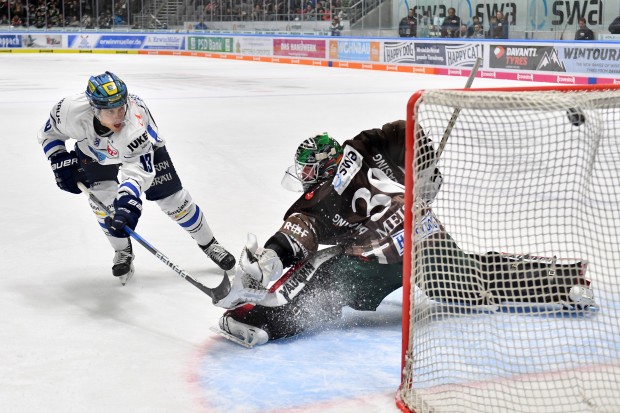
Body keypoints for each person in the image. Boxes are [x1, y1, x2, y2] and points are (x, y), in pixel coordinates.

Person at [212, 120, 596, 346]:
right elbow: (402, 131)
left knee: (325, 284)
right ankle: (561, 280)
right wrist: (426, 167)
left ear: (321, 167)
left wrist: (267, 261)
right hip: (422, 232)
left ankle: (262, 321)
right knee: (470, 278)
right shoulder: (362, 146)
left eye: (308, 169)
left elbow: (297, 235)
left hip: (376, 258)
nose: (305, 179)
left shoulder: (317, 198)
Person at [37, 71, 235, 284]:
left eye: (121, 107)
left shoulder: (135, 127)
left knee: (175, 201)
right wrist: (59, 160)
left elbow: (138, 173)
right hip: (94, 152)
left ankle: (209, 244)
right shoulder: (69, 110)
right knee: (103, 204)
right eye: (110, 111)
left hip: (143, 152)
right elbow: (50, 134)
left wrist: (128, 203)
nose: (118, 116)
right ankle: (123, 251)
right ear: (94, 108)